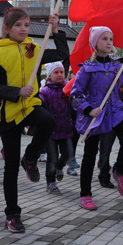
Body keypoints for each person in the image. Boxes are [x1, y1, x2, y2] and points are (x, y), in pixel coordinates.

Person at [0, 6, 68, 233]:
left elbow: (61, 56)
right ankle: (12, 213)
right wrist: (16, 92)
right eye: (18, 25)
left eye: (26, 25)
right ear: (6, 28)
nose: (23, 29)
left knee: (49, 122)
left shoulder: (34, 49)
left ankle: (30, 158)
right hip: (9, 115)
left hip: (29, 107)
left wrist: (56, 29)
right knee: (10, 168)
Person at [71, 26, 123, 210]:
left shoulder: (117, 67)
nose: (109, 42)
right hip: (95, 113)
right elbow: (75, 95)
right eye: (104, 39)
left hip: (115, 111)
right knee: (90, 154)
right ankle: (85, 194)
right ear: (95, 43)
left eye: (111, 39)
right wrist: (88, 109)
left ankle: (119, 170)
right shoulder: (86, 69)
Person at [39, 61, 74, 193]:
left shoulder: (69, 88)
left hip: (66, 128)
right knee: (52, 157)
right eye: (56, 72)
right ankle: (51, 182)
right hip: (51, 131)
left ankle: (60, 167)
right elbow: (40, 102)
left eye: (61, 72)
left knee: (68, 153)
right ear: (49, 75)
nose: (59, 75)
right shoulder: (46, 91)